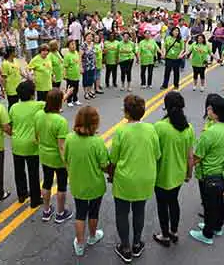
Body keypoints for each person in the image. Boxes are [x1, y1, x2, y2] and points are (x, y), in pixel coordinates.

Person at [111, 95, 160, 263]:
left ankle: (125, 247)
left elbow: (114, 158)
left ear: (126, 112)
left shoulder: (121, 131)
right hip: (145, 177)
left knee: (122, 212)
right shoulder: (151, 129)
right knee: (139, 211)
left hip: (125, 178)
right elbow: (157, 153)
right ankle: (137, 243)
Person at [189, 94, 224, 245]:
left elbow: (197, 157)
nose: (208, 109)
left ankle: (207, 234)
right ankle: (217, 226)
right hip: (223, 171)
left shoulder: (210, 133)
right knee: (218, 202)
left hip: (208, 174)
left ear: (216, 113)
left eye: (211, 108)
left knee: (209, 205)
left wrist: (186, 171)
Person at [65, 106, 109, 256]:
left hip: (78, 184)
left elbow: (66, 158)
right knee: (94, 212)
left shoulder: (70, 138)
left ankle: (80, 243)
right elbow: (104, 165)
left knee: (80, 213)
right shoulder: (97, 142)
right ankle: (92, 236)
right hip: (95, 184)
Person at [153, 92, 194, 247]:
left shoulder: (159, 127)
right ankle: (174, 231)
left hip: (161, 175)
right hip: (178, 175)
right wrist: (189, 174)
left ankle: (164, 235)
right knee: (173, 202)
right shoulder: (188, 128)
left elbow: (153, 153)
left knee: (162, 205)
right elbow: (190, 156)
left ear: (166, 106)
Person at [35, 88, 73, 223]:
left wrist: (66, 94)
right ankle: (60, 212)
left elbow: (36, 136)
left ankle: (46, 211)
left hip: (44, 155)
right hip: (58, 158)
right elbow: (62, 146)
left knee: (46, 182)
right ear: (60, 103)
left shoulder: (39, 115)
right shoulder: (60, 121)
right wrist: (67, 164)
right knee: (61, 185)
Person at [9, 81, 45, 208]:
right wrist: (67, 94)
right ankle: (35, 199)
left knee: (19, 171)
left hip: (17, 143)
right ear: (32, 94)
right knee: (33, 173)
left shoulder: (13, 107)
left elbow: (10, 124)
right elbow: (54, 105)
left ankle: (22, 194)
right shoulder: (38, 105)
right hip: (32, 144)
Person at [64, 40, 82, 107]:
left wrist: (80, 69)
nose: (74, 45)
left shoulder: (76, 53)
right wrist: (65, 75)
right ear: (68, 46)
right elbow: (65, 66)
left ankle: (75, 99)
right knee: (70, 89)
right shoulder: (67, 55)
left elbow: (78, 62)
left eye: (74, 44)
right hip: (70, 76)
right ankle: (69, 100)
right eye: (72, 44)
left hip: (76, 75)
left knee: (76, 88)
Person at [80, 33, 97, 100]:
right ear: (85, 37)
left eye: (91, 37)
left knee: (91, 79)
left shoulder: (93, 44)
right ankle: (86, 93)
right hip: (85, 65)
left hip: (92, 65)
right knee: (85, 80)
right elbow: (80, 56)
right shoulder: (83, 45)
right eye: (88, 36)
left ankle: (89, 91)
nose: (89, 38)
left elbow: (94, 54)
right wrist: (80, 66)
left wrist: (95, 62)